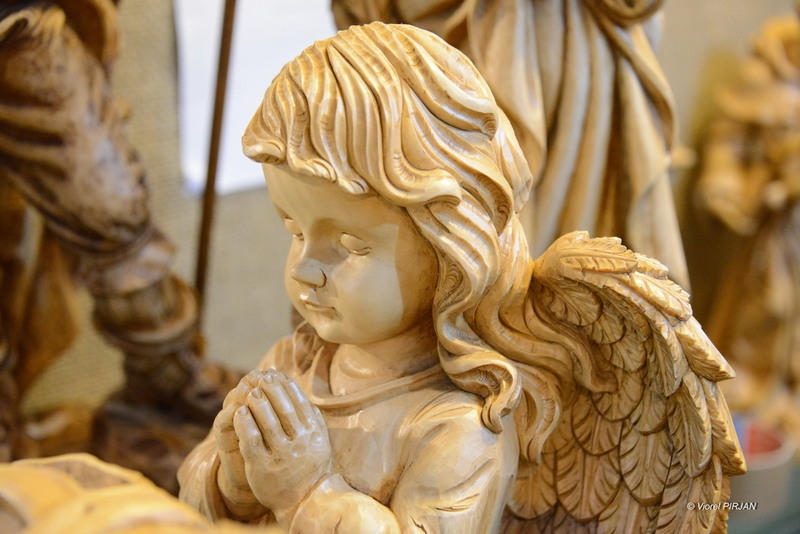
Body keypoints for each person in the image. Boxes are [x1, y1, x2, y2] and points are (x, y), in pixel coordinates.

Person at [179, 22, 742, 533]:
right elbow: (192, 498)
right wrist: (231, 482)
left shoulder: (460, 428)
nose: (304, 267)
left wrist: (307, 493)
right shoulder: (292, 364)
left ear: (447, 254)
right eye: (293, 230)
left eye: (350, 245)